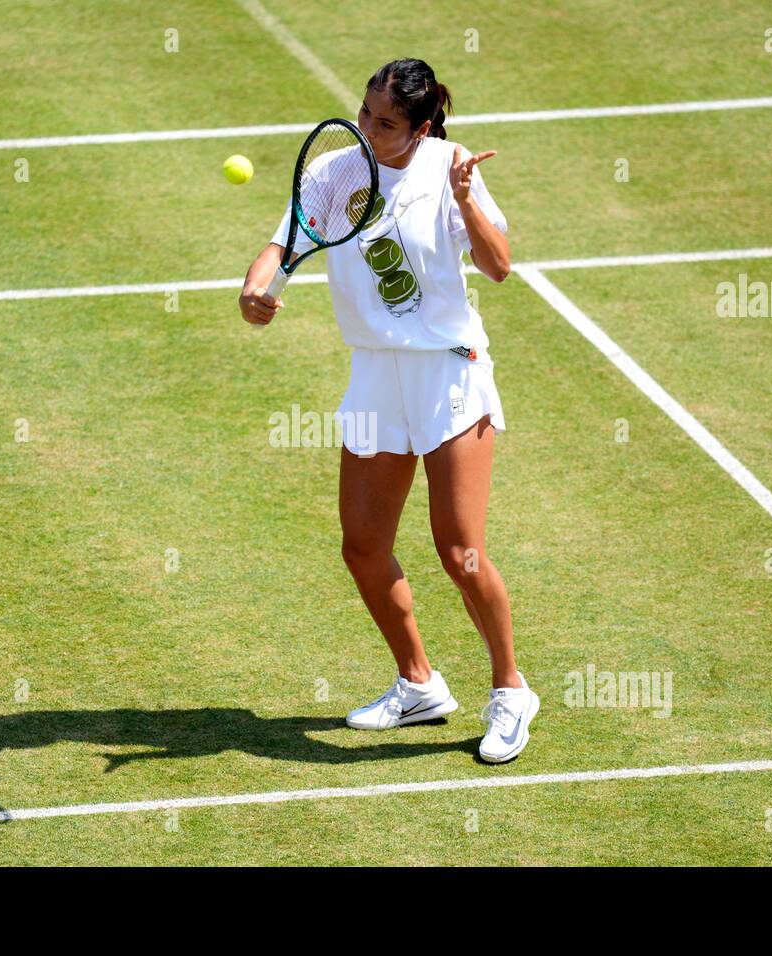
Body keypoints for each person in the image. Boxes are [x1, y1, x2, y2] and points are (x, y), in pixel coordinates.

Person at [238, 58, 538, 763]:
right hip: (376, 374)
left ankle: (510, 692)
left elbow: (499, 266)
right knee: (363, 547)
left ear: (423, 127)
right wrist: (256, 291)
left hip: (447, 373)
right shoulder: (336, 171)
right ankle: (418, 684)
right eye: (366, 115)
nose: (369, 132)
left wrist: (465, 200)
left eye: (387, 124)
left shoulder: (450, 166)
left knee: (459, 550)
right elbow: (283, 245)